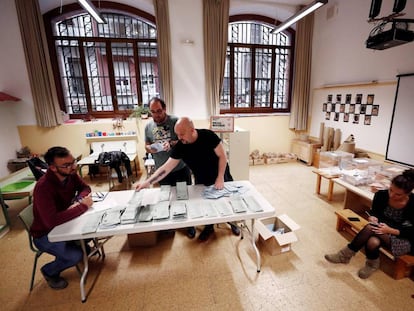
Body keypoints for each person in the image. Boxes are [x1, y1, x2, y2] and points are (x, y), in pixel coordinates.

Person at [135, 117, 240, 241]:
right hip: (202, 178)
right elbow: (165, 168)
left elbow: (222, 157)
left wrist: (220, 177)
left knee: (226, 201)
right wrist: (148, 182)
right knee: (206, 203)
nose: (179, 138)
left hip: (221, 174)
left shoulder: (208, 135)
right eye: (177, 134)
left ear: (192, 130)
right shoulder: (181, 146)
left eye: (182, 134)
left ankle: (233, 222)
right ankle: (209, 227)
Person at [325, 169, 414, 279]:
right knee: (373, 241)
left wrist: (390, 230)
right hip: (382, 230)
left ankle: (345, 255)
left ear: (408, 193)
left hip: (403, 238)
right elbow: (375, 212)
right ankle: (372, 265)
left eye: (398, 194)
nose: (392, 195)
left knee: (370, 228)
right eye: (391, 190)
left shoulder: (413, 203)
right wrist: (373, 217)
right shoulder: (382, 195)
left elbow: (411, 231)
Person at [31, 146, 93, 289]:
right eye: (67, 165)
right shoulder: (43, 187)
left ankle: (76, 246)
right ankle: (49, 271)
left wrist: (79, 199)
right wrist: (82, 206)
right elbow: (51, 220)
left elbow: (85, 188)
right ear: (52, 168)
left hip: (66, 224)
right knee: (75, 256)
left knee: (90, 232)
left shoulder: (70, 174)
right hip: (45, 233)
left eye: (73, 162)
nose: (73, 167)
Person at [144, 97, 191, 186]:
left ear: (165, 109)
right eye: (153, 112)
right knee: (167, 198)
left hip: (180, 169)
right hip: (162, 172)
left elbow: (186, 141)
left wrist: (171, 143)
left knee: (184, 196)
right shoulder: (148, 127)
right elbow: (146, 145)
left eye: (159, 111)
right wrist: (150, 148)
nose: (156, 115)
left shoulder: (175, 121)